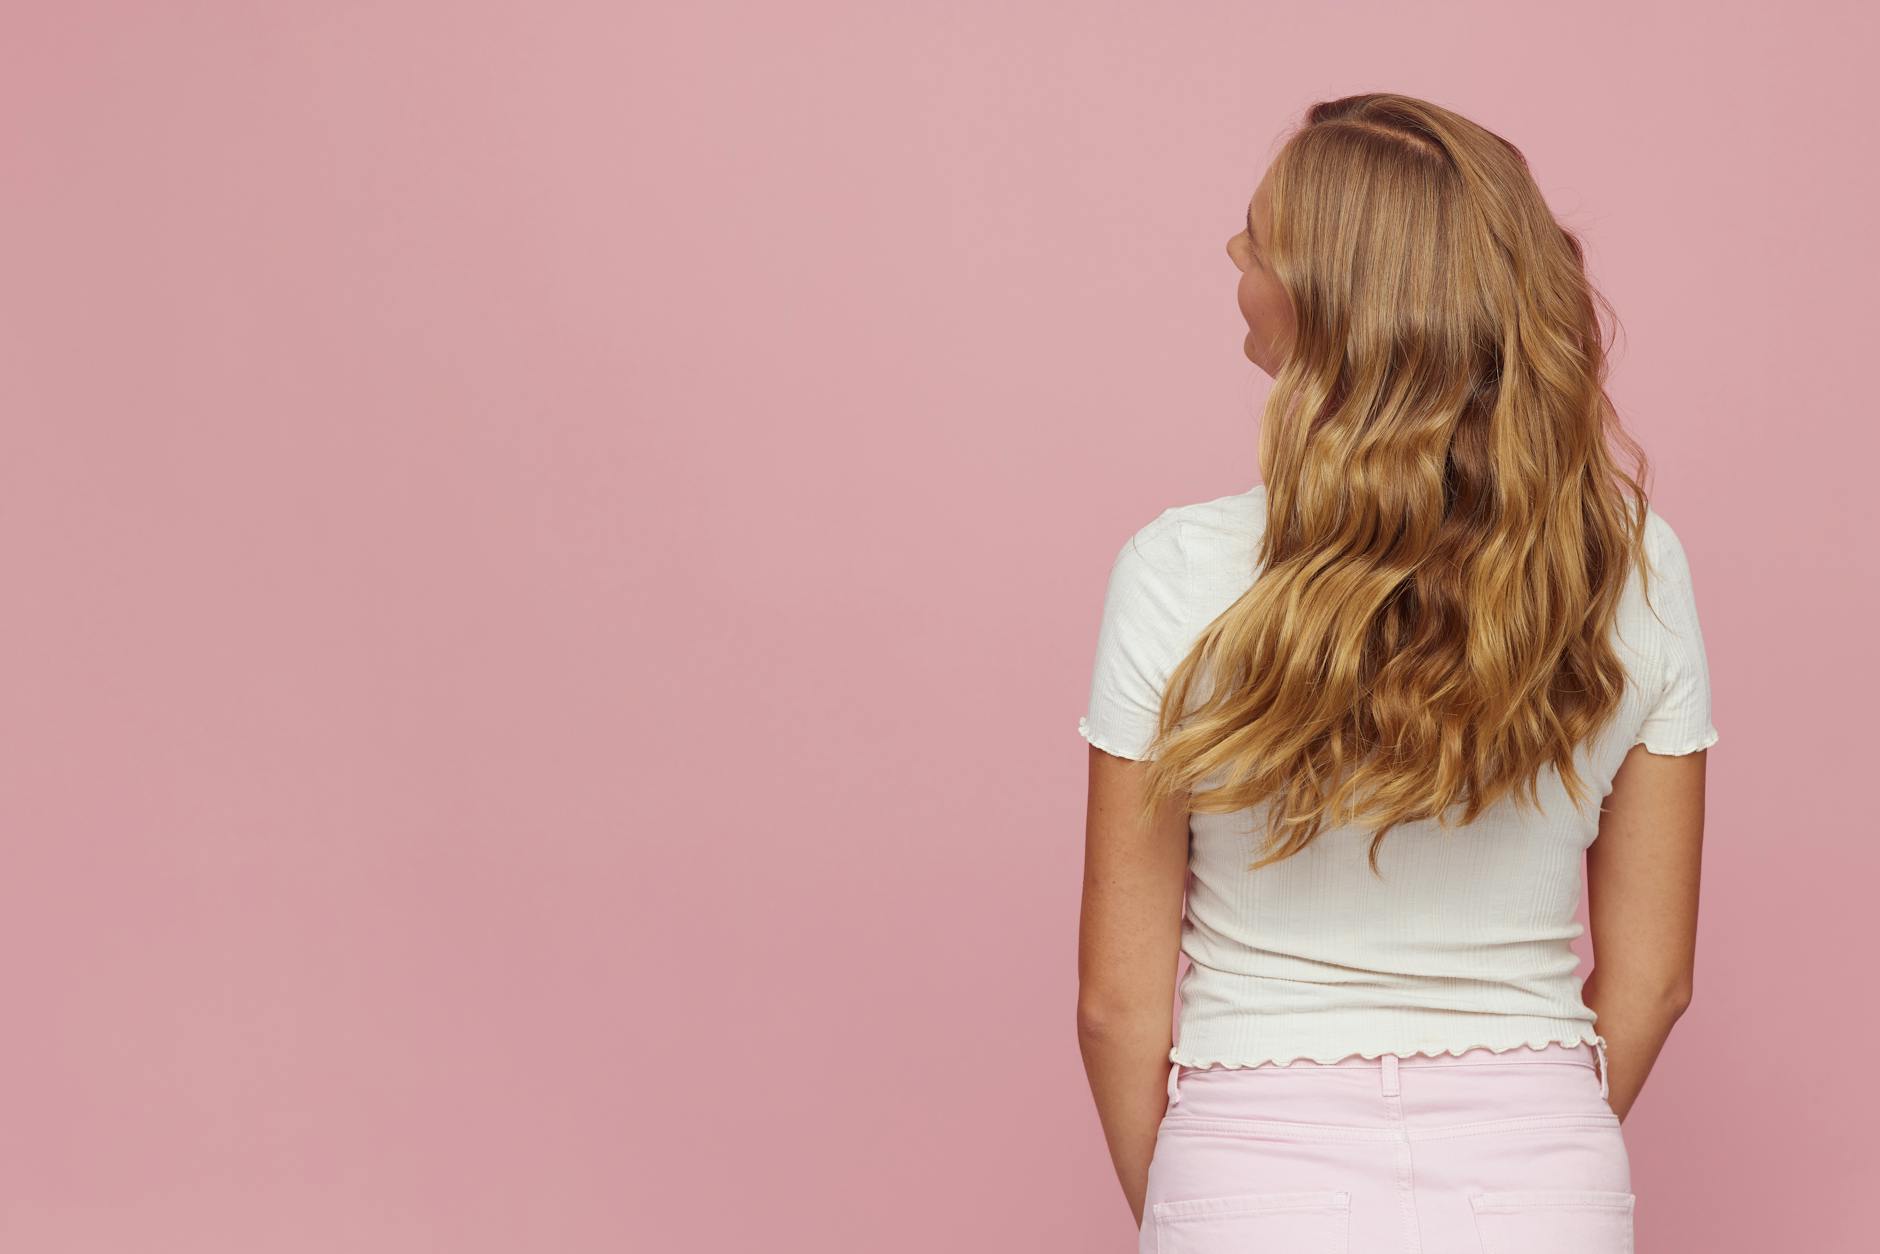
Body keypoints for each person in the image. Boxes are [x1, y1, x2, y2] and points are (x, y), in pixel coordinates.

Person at [1075, 94, 1716, 1254]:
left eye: (1258, 240)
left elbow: (1116, 1007)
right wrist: (1530, 1148)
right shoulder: (1628, 563)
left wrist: (1192, 1200)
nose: (1231, 255)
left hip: (1248, 1165)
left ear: (1331, 303)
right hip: (1539, 1179)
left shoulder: (1174, 569)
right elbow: (1655, 977)